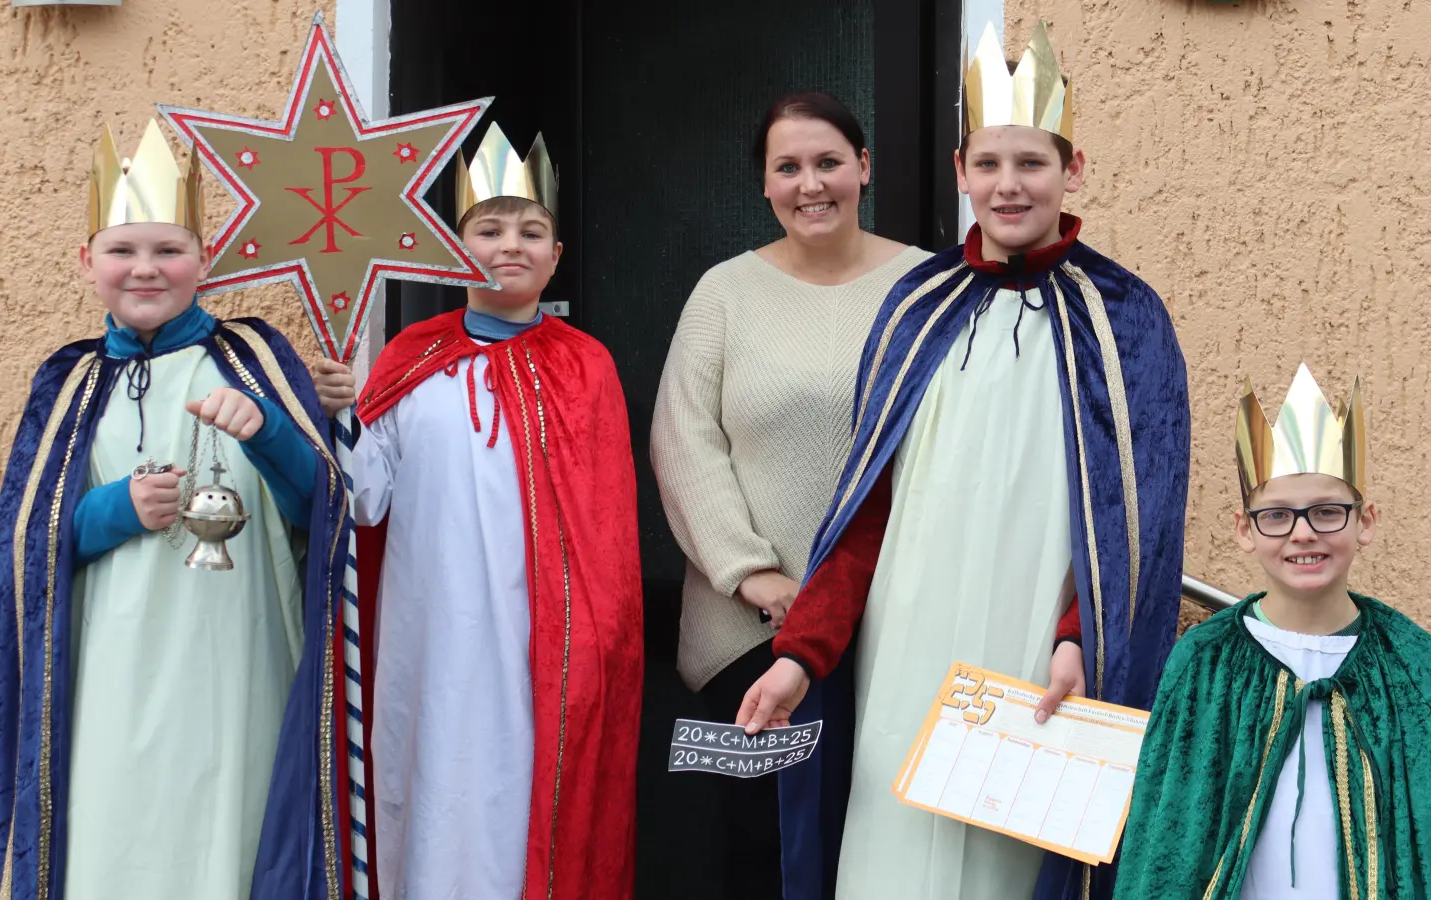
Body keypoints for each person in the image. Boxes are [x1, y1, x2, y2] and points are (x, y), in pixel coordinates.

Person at [735, 23, 1191, 900]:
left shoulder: (1125, 319)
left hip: (1041, 668)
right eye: (989, 164)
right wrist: (802, 655)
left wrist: (1079, 644)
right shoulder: (918, 306)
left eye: (1032, 163)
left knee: (1012, 866)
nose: (1009, 186)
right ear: (959, 171)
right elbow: (866, 510)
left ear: (1075, 168)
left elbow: (1143, 521)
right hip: (905, 661)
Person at [0, 120, 350, 900]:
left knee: (225, 825)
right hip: (109, 664)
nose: (145, 269)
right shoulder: (69, 383)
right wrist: (115, 509)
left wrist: (270, 437)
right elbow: (22, 546)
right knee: (116, 834)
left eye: (168, 250)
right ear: (87, 262)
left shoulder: (254, 359)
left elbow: (318, 514)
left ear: (203, 259)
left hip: (234, 651)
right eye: (122, 250)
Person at [311, 124, 643, 900]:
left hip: (537, 643)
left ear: (556, 255)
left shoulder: (586, 365)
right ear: (449, 249)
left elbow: (606, 534)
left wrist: (593, 648)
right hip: (429, 635)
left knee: (522, 797)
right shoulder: (408, 358)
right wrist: (338, 419)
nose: (509, 246)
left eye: (532, 231)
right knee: (429, 786)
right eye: (487, 229)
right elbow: (367, 497)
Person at [648, 91, 928, 898]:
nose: (812, 183)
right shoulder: (724, 294)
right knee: (767, 851)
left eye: (829, 162)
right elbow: (683, 440)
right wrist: (751, 572)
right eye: (789, 167)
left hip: (890, 622)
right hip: (752, 630)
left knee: (880, 839)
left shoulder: (925, 290)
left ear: (864, 168)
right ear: (765, 186)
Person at [1114, 365, 1431, 900]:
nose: (1304, 532)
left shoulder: (1414, 662)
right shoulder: (1204, 660)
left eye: (1327, 512)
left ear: (1366, 521)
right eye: (1277, 516)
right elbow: (1165, 831)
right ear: (1246, 529)